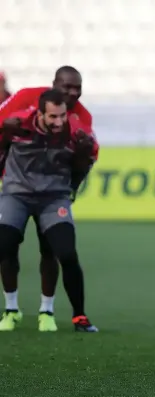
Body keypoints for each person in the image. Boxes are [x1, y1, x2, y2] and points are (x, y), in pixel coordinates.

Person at [0, 66, 95, 332]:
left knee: (62, 251)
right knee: (4, 245)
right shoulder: (19, 119)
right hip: (16, 194)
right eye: (67, 87)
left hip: (53, 196)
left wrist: (74, 181)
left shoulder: (78, 125)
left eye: (77, 88)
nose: (57, 122)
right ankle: (10, 309)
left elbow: (87, 159)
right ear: (40, 112)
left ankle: (69, 315)